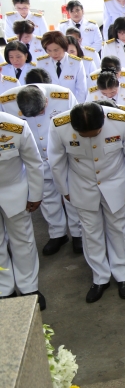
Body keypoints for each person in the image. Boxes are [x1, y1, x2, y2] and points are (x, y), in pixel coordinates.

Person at [48, 103, 125, 302]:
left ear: (103, 122)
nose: (90, 137)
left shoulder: (121, 120)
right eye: (84, 135)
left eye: (94, 133)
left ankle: (124, 275)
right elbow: (56, 161)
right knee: (90, 232)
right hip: (81, 184)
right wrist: (65, 190)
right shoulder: (58, 125)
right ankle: (100, 277)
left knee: (118, 227)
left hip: (115, 182)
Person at [1, 83, 82, 256]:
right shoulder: (5, 100)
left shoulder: (64, 96)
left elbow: (79, 125)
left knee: (72, 197)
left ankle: (78, 233)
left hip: (64, 156)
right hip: (33, 158)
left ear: (46, 101)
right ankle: (57, 234)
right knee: (48, 199)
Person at [0, 110, 44, 308]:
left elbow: (34, 163)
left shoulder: (15, 127)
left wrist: (35, 195)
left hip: (14, 191)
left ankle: (29, 288)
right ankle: (4, 290)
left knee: (23, 241)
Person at [36, 31, 89, 101]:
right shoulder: (41, 63)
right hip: (49, 104)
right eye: (49, 50)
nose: (53, 54)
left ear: (64, 47)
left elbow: (81, 90)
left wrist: (77, 107)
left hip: (70, 104)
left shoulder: (76, 63)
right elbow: (39, 88)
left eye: (56, 50)